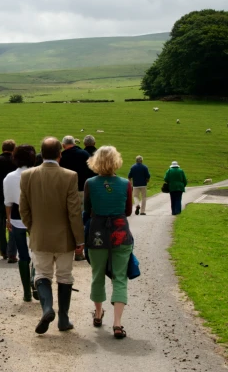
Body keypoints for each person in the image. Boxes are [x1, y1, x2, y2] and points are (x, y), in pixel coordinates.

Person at [20, 137, 84, 334]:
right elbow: (74, 211)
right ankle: (63, 319)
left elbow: (24, 209)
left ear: (41, 152)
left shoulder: (27, 176)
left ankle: (47, 308)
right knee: (65, 276)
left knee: (42, 275)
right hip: (64, 237)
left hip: (40, 235)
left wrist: (33, 228)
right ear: (60, 154)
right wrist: (79, 239)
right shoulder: (70, 176)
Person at [84, 145, 134, 339]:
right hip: (120, 232)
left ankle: (98, 314)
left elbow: (87, 210)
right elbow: (128, 210)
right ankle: (117, 323)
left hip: (97, 233)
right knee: (120, 277)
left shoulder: (90, 183)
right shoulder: (125, 184)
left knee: (97, 275)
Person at [3, 144, 36, 302]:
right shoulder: (37, 175)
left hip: (16, 217)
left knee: (23, 255)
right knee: (37, 252)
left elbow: (8, 202)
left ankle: (26, 293)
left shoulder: (9, 177)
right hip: (36, 218)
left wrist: (8, 219)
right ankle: (34, 280)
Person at [59, 135, 92, 261]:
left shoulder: (62, 157)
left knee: (67, 220)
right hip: (82, 191)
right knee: (81, 221)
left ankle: (66, 250)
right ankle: (79, 252)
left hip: (66, 193)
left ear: (63, 145)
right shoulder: (84, 154)